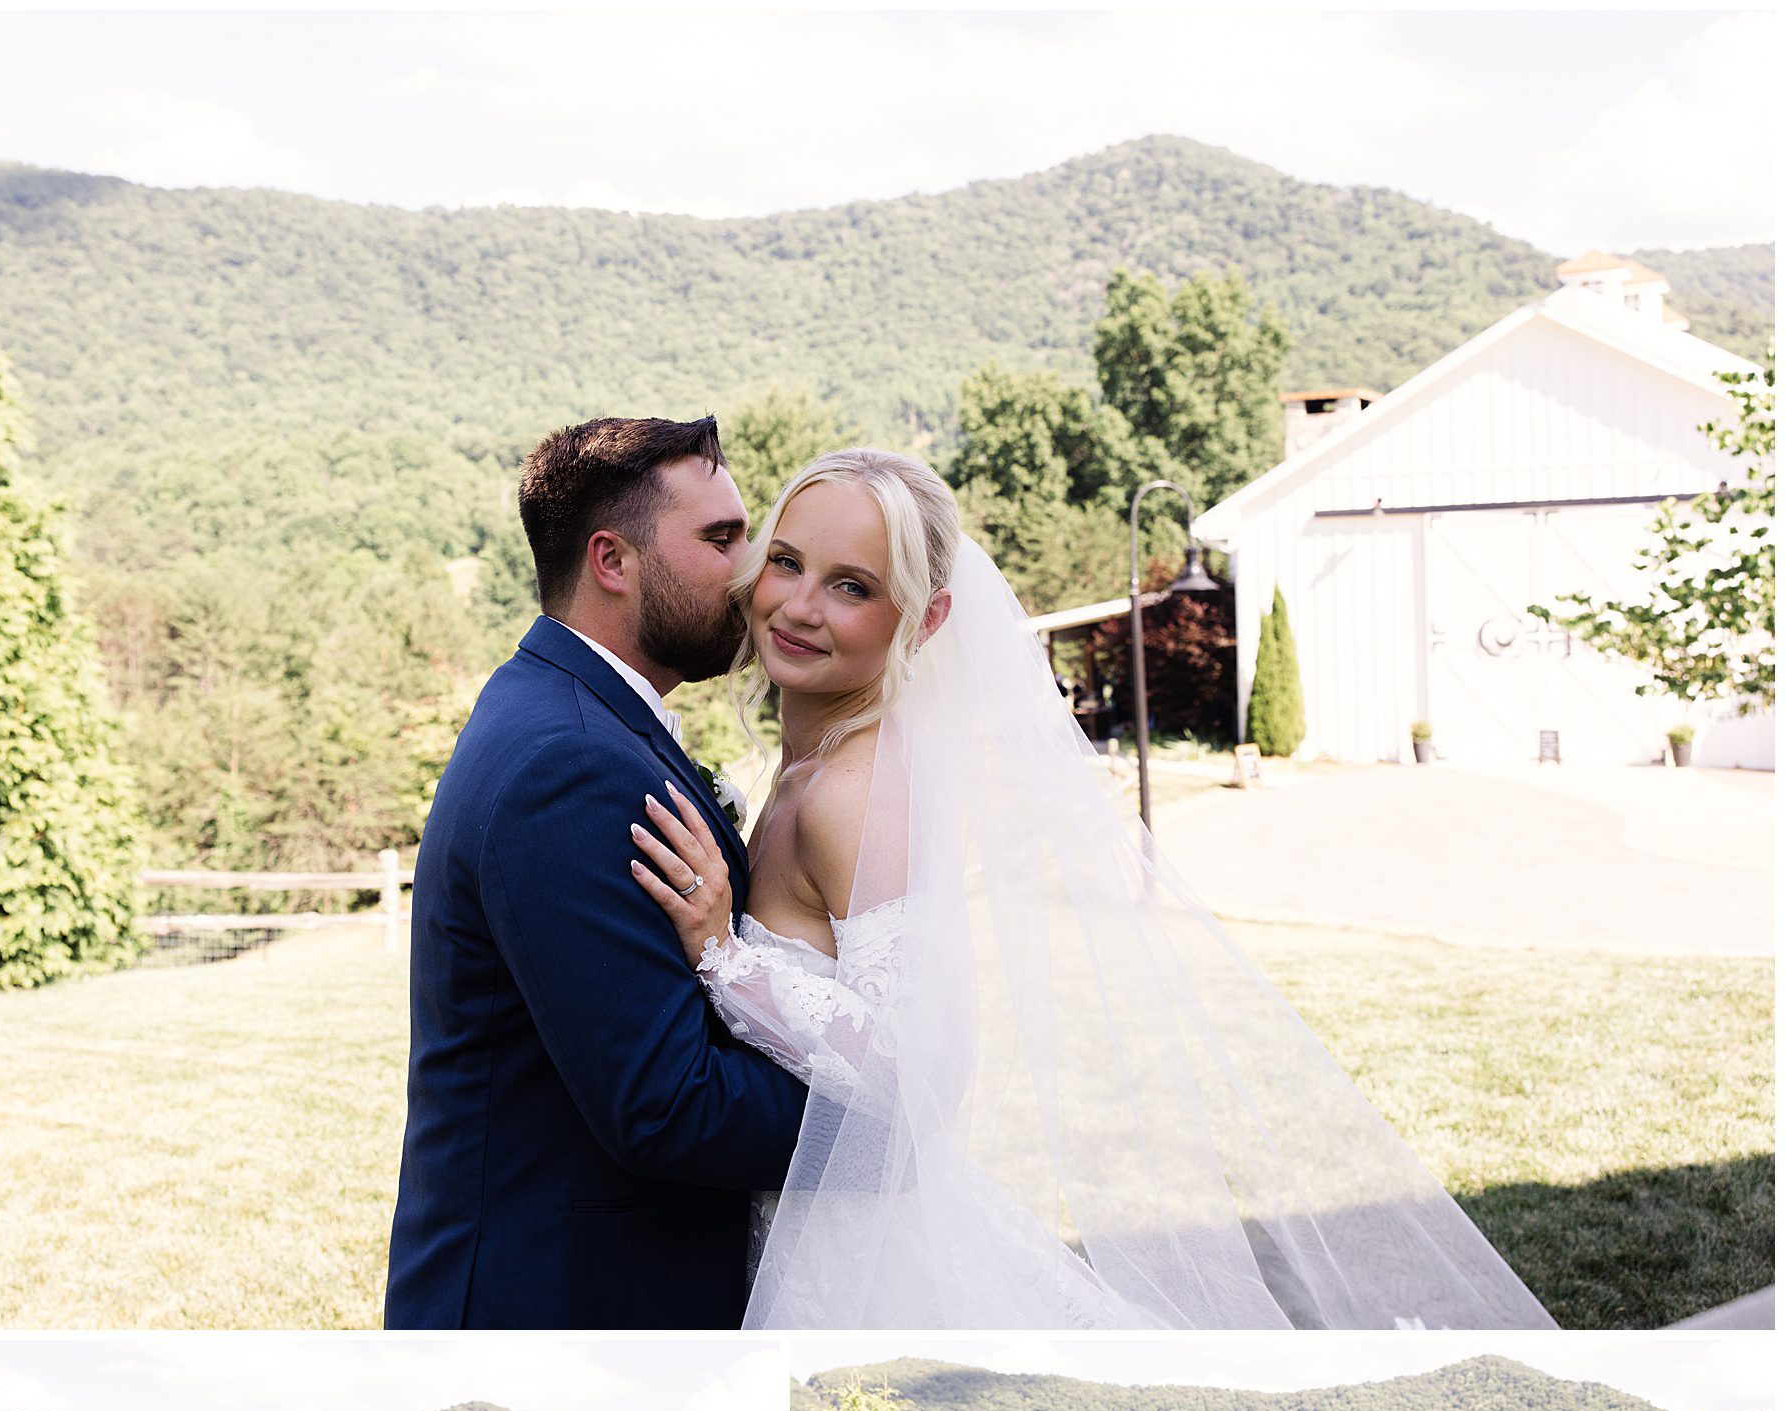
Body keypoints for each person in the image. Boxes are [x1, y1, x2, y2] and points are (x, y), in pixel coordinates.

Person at [628, 447, 1556, 1328]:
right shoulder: (811, 765)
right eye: (786, 561)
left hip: (858, 1251)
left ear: (927, 618)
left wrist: (723, 955)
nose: (798, 605)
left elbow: (913, 1068)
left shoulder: (856, 791)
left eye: (853, 586)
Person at [385, 415, 807, 1330]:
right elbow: (669, 1105)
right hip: (555, 1303)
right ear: (612, 560)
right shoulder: (568, 764)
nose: (749, 571)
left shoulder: (569, 714)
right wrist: (875, 1121)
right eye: (720, 538)